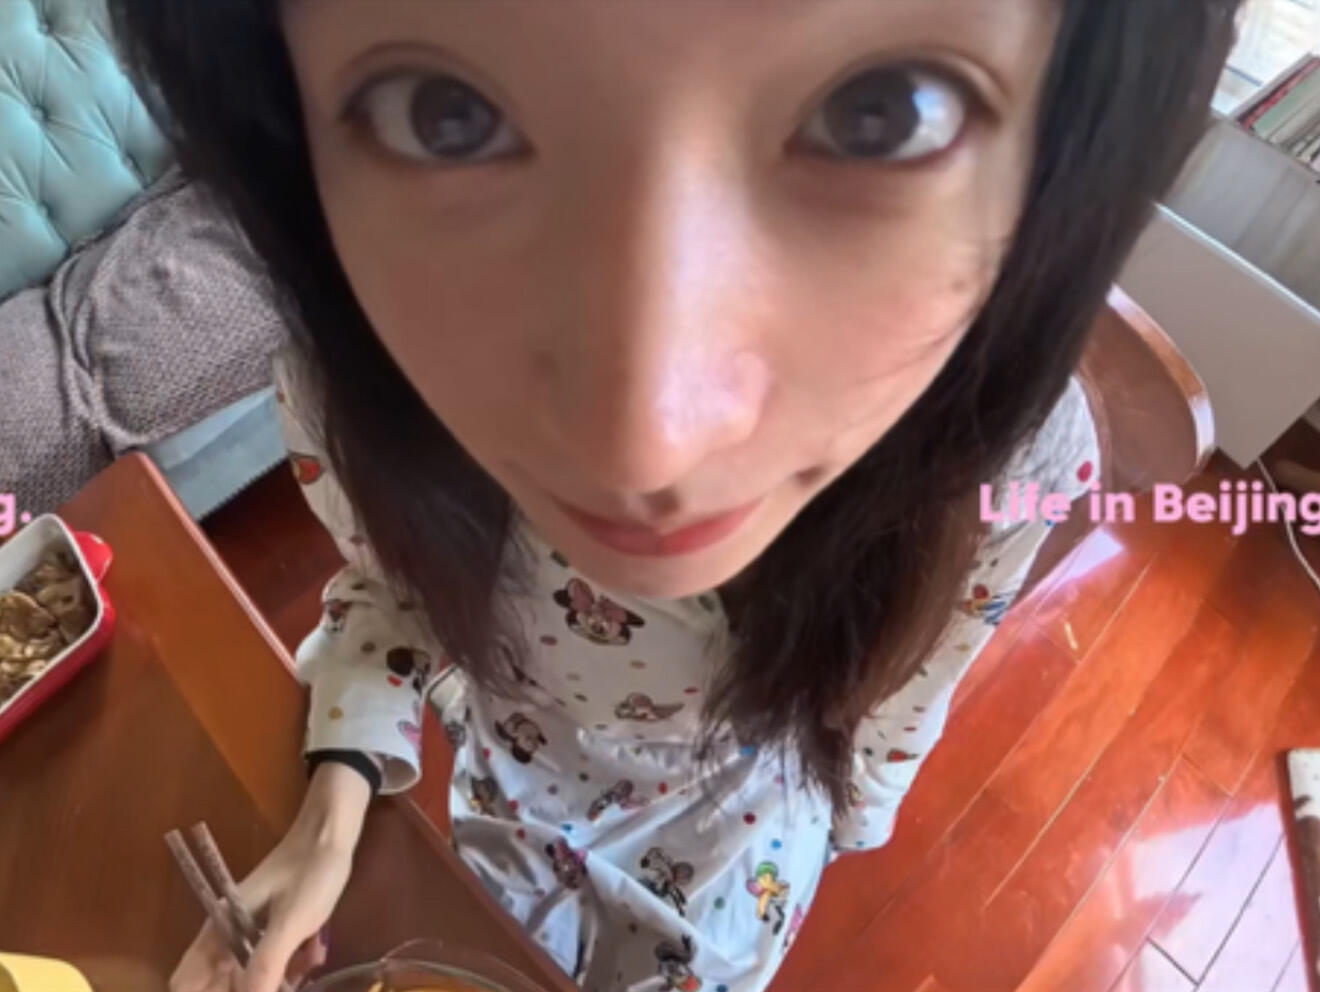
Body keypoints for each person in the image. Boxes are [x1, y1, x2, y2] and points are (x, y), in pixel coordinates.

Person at [109, 2, 1241, 990]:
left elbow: (891, 722)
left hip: (745, 842)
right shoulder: (345, 385)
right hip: (496, 786)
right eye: (443, 115)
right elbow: (393, 590)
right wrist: (330, 817)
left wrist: (836, 821)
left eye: (879, 113)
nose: (642, 445)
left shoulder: (1004, 462)